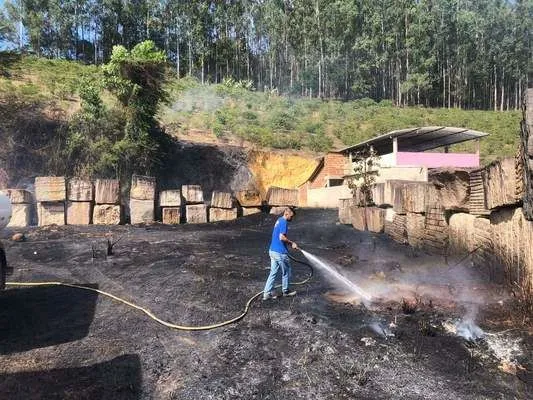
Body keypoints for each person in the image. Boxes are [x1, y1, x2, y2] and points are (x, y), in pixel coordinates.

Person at [263, 207, 299, 300]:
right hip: (280, 252)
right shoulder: (284, 222)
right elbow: (282, 237)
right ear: (287, 214)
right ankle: (286, 291)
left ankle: (267, 293)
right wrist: (292, 243)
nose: (292, 218)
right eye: (291, 216)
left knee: (273, 272)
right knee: (286, 271)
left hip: (272, 251)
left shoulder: (279, 220)